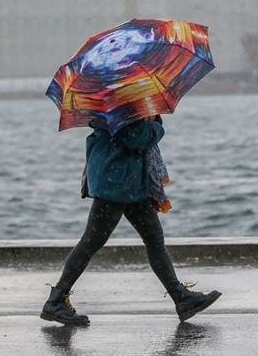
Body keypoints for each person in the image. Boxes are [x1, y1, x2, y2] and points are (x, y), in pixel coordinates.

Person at [40, 115, 221, 325]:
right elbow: (137, 137)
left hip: (128, 180)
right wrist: (157, 125)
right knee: (91, 242)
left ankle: (181, 298)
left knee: (153, 239)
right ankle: (56, 299)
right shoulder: (122, 102)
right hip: (117, 182)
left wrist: (150, 119)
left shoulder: (111, 97)